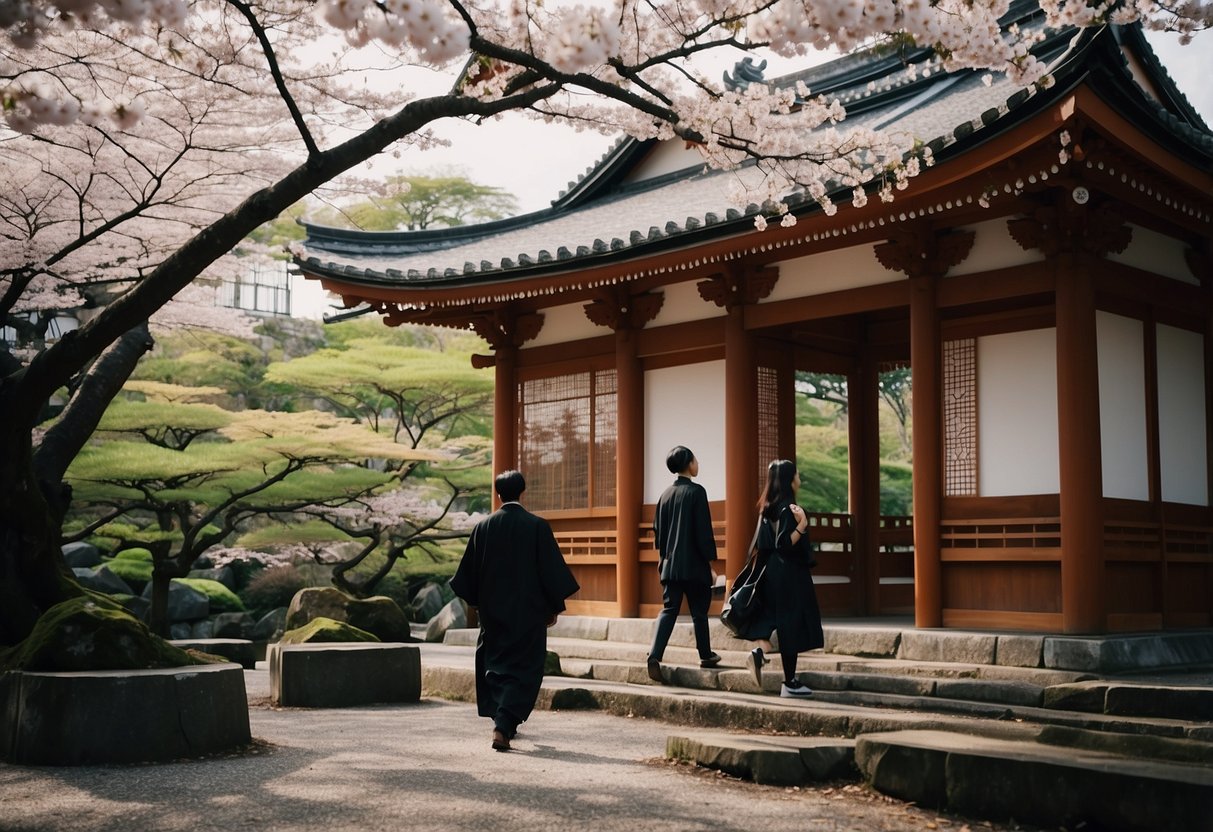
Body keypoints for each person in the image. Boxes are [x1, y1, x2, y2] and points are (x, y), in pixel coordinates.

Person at [450, 469, 580, 751]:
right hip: (529, 612)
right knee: (525, 668)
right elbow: (550, 571)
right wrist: (554, 607)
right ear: (523, 493)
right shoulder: (537, 526)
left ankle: (502, 719)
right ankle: (504, 723)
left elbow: (468, 575)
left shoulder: (483, 527)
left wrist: (477, 604)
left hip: (493, 613)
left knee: (495, 666)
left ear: (498, 494)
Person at [737, 459, 823, 698]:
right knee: (791, 624)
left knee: (773, 618)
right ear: (789, 480)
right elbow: (784, 543)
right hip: (788, 573)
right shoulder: (788, 508)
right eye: (797, 475)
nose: (800, 479)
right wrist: (802, 524)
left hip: (769, 571)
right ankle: (790, 683)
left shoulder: (767, 508)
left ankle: (760, 652)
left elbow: (765, 544)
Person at [646, 446, 721, 684]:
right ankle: (705, 655)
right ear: (689, 464)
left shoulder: (665, 495)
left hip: (669, 565)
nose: (697, 463)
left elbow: (658, 535)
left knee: (669, 609)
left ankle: (654, 655)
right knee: (699, 612)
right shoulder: (697, 492)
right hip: (694, 565)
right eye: (696, 459)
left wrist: (663, 562)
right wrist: (709, 563)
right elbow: (703, 532)